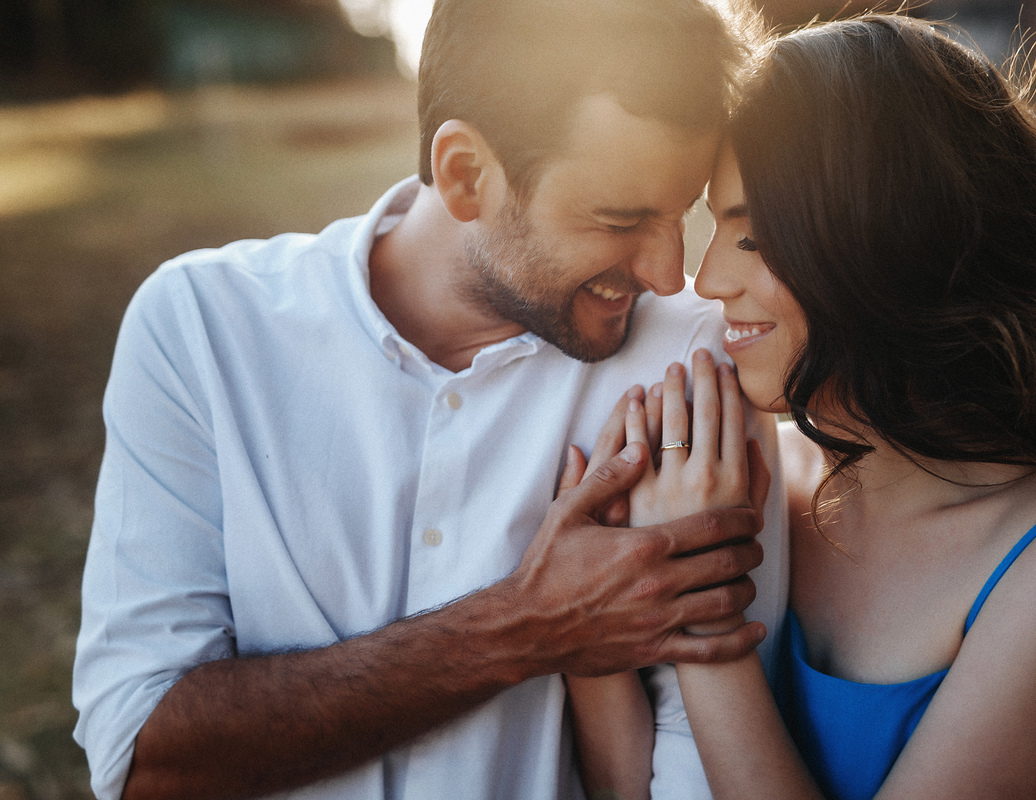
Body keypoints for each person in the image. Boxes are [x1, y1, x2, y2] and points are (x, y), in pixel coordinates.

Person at [70, 1, 790, 798]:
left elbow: (703, 756)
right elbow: (142, 757)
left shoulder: (691, 366)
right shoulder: (202, 329)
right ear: (465, 174)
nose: (666, 271)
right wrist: (526, 626)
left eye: (678, 211)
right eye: (620, 217)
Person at [569, 13, 1036, 800]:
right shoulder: (755, 483)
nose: (705, 280)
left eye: (754, 239)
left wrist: (706, 624)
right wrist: (584, 622)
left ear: (883, 242)